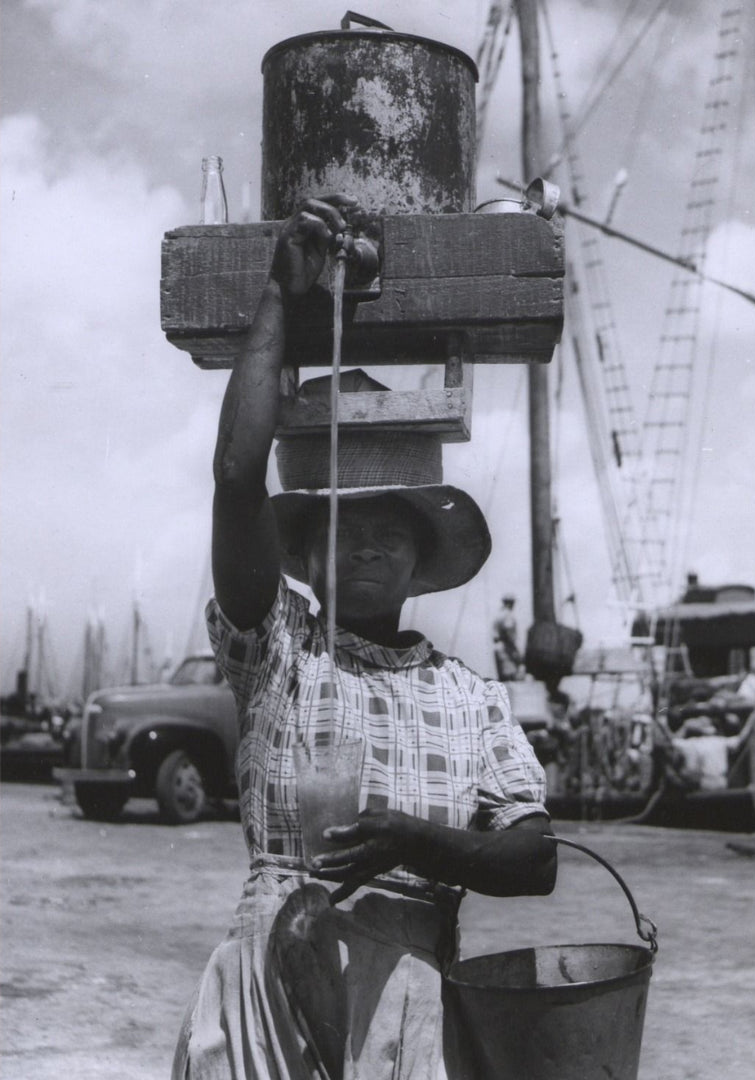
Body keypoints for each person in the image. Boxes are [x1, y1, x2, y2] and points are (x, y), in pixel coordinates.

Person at [172, 195, 557, 1080]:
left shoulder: (466, 693)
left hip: (412, 992)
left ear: (422, 557)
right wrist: (279, 295)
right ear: (303, 551)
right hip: (271, 977)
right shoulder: (278, 648)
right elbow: (238, 478)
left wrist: (416, 842)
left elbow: (532, 856)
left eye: (393, 526)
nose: (371, 541)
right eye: (345, 526)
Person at [492, 594, 523, 681]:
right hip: (506, 648)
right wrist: (516, 651)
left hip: (499, 647)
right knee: (510, 676)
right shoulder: (507, 615)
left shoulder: (499, 614)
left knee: (503, 678)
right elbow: (509, 634)